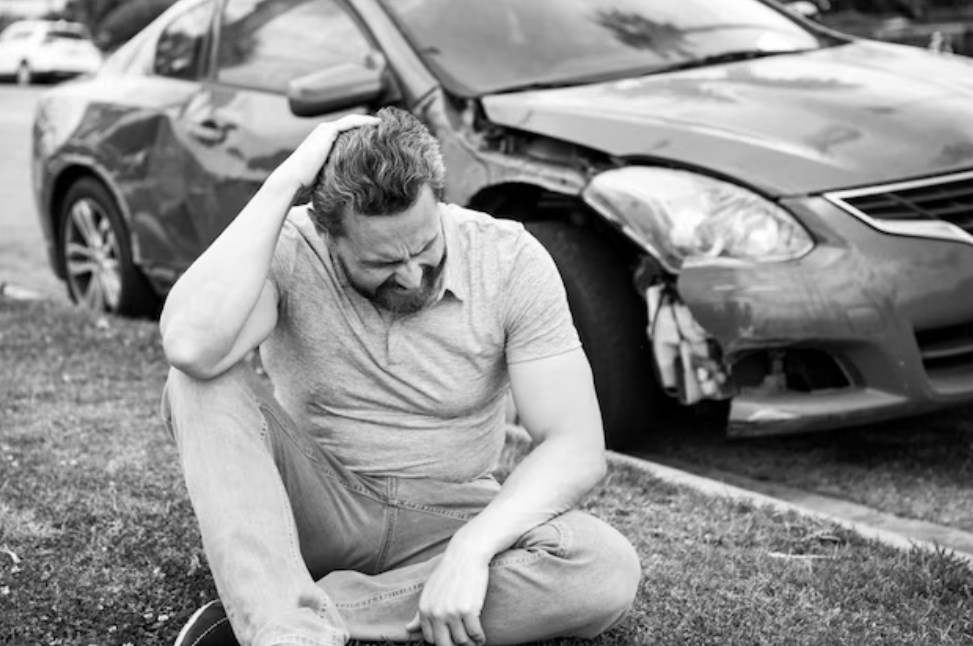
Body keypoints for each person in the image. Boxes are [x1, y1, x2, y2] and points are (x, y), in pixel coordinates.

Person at [159, 107, 641, 646]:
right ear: (328, 234)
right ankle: (290, 622)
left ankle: (290, 623)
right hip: (317, 511)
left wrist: (472, 549)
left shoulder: (510, 260)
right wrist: (284, 182)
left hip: (446, 514)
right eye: (383, 262)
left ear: (439, 198)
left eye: (425, 246)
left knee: (602, 567)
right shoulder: (292, 245)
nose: (411, 274)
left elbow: (574, 445)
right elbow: (190, 346)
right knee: (197, 381)